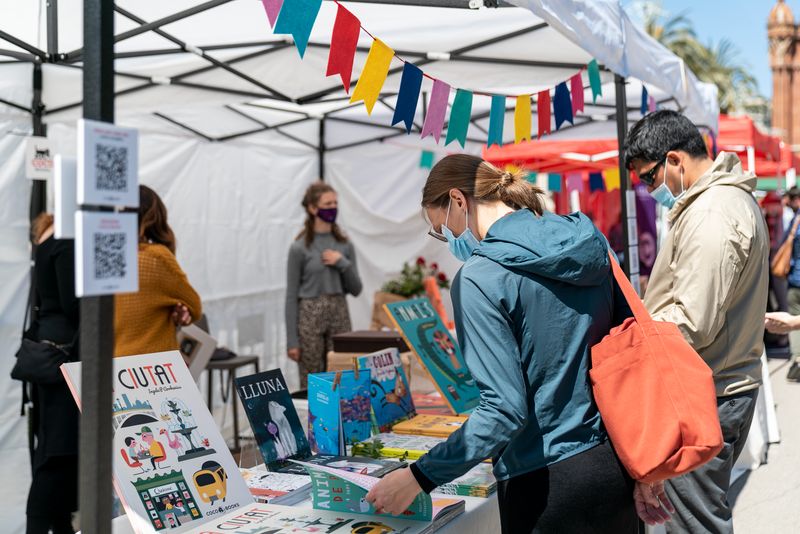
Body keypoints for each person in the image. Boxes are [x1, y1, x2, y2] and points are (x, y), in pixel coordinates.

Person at [365, 154, 660, 533]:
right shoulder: (589, 240)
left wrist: (417, 477)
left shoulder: (480, 277)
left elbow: (503, 411)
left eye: (442, 230)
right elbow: (631, 351)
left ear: (458, 200)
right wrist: (647, 464)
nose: (448, 242)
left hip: (544, 481)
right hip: (613, 463)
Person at [625, 110, 769, 533]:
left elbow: (693, 320)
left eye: (649, 178)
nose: (650, 190)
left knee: (694, 525)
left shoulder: (712, 213)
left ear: (675, 160)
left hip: (708, 391)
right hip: (719, 384)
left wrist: (635, 336)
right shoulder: (722, 202)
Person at [24, 213, 79, 534]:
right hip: (63, 361)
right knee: (58, 455)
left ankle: (61, 527)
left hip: (49, 358)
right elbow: (74, 305)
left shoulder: (48, 236)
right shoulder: (66, 240)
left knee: (55, 453)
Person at [285, 182, 363, 389]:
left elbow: (356, 289)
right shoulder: (299, 247)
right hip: (309, 313)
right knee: (312, 377)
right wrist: (292, 340)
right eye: (327, 203)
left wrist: (342, 263)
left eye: (335, 203)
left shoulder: (345, 245)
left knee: (342, 373)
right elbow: (291, 295)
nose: (333, 208)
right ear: (312, 208)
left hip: (339, 310)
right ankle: (313, 419)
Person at [115, 186, 202, 357]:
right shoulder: (156, 258)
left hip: (113, 363)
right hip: (153, 367)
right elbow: (195, 306)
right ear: (156, 217)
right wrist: (179, 309)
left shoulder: (108, 256)